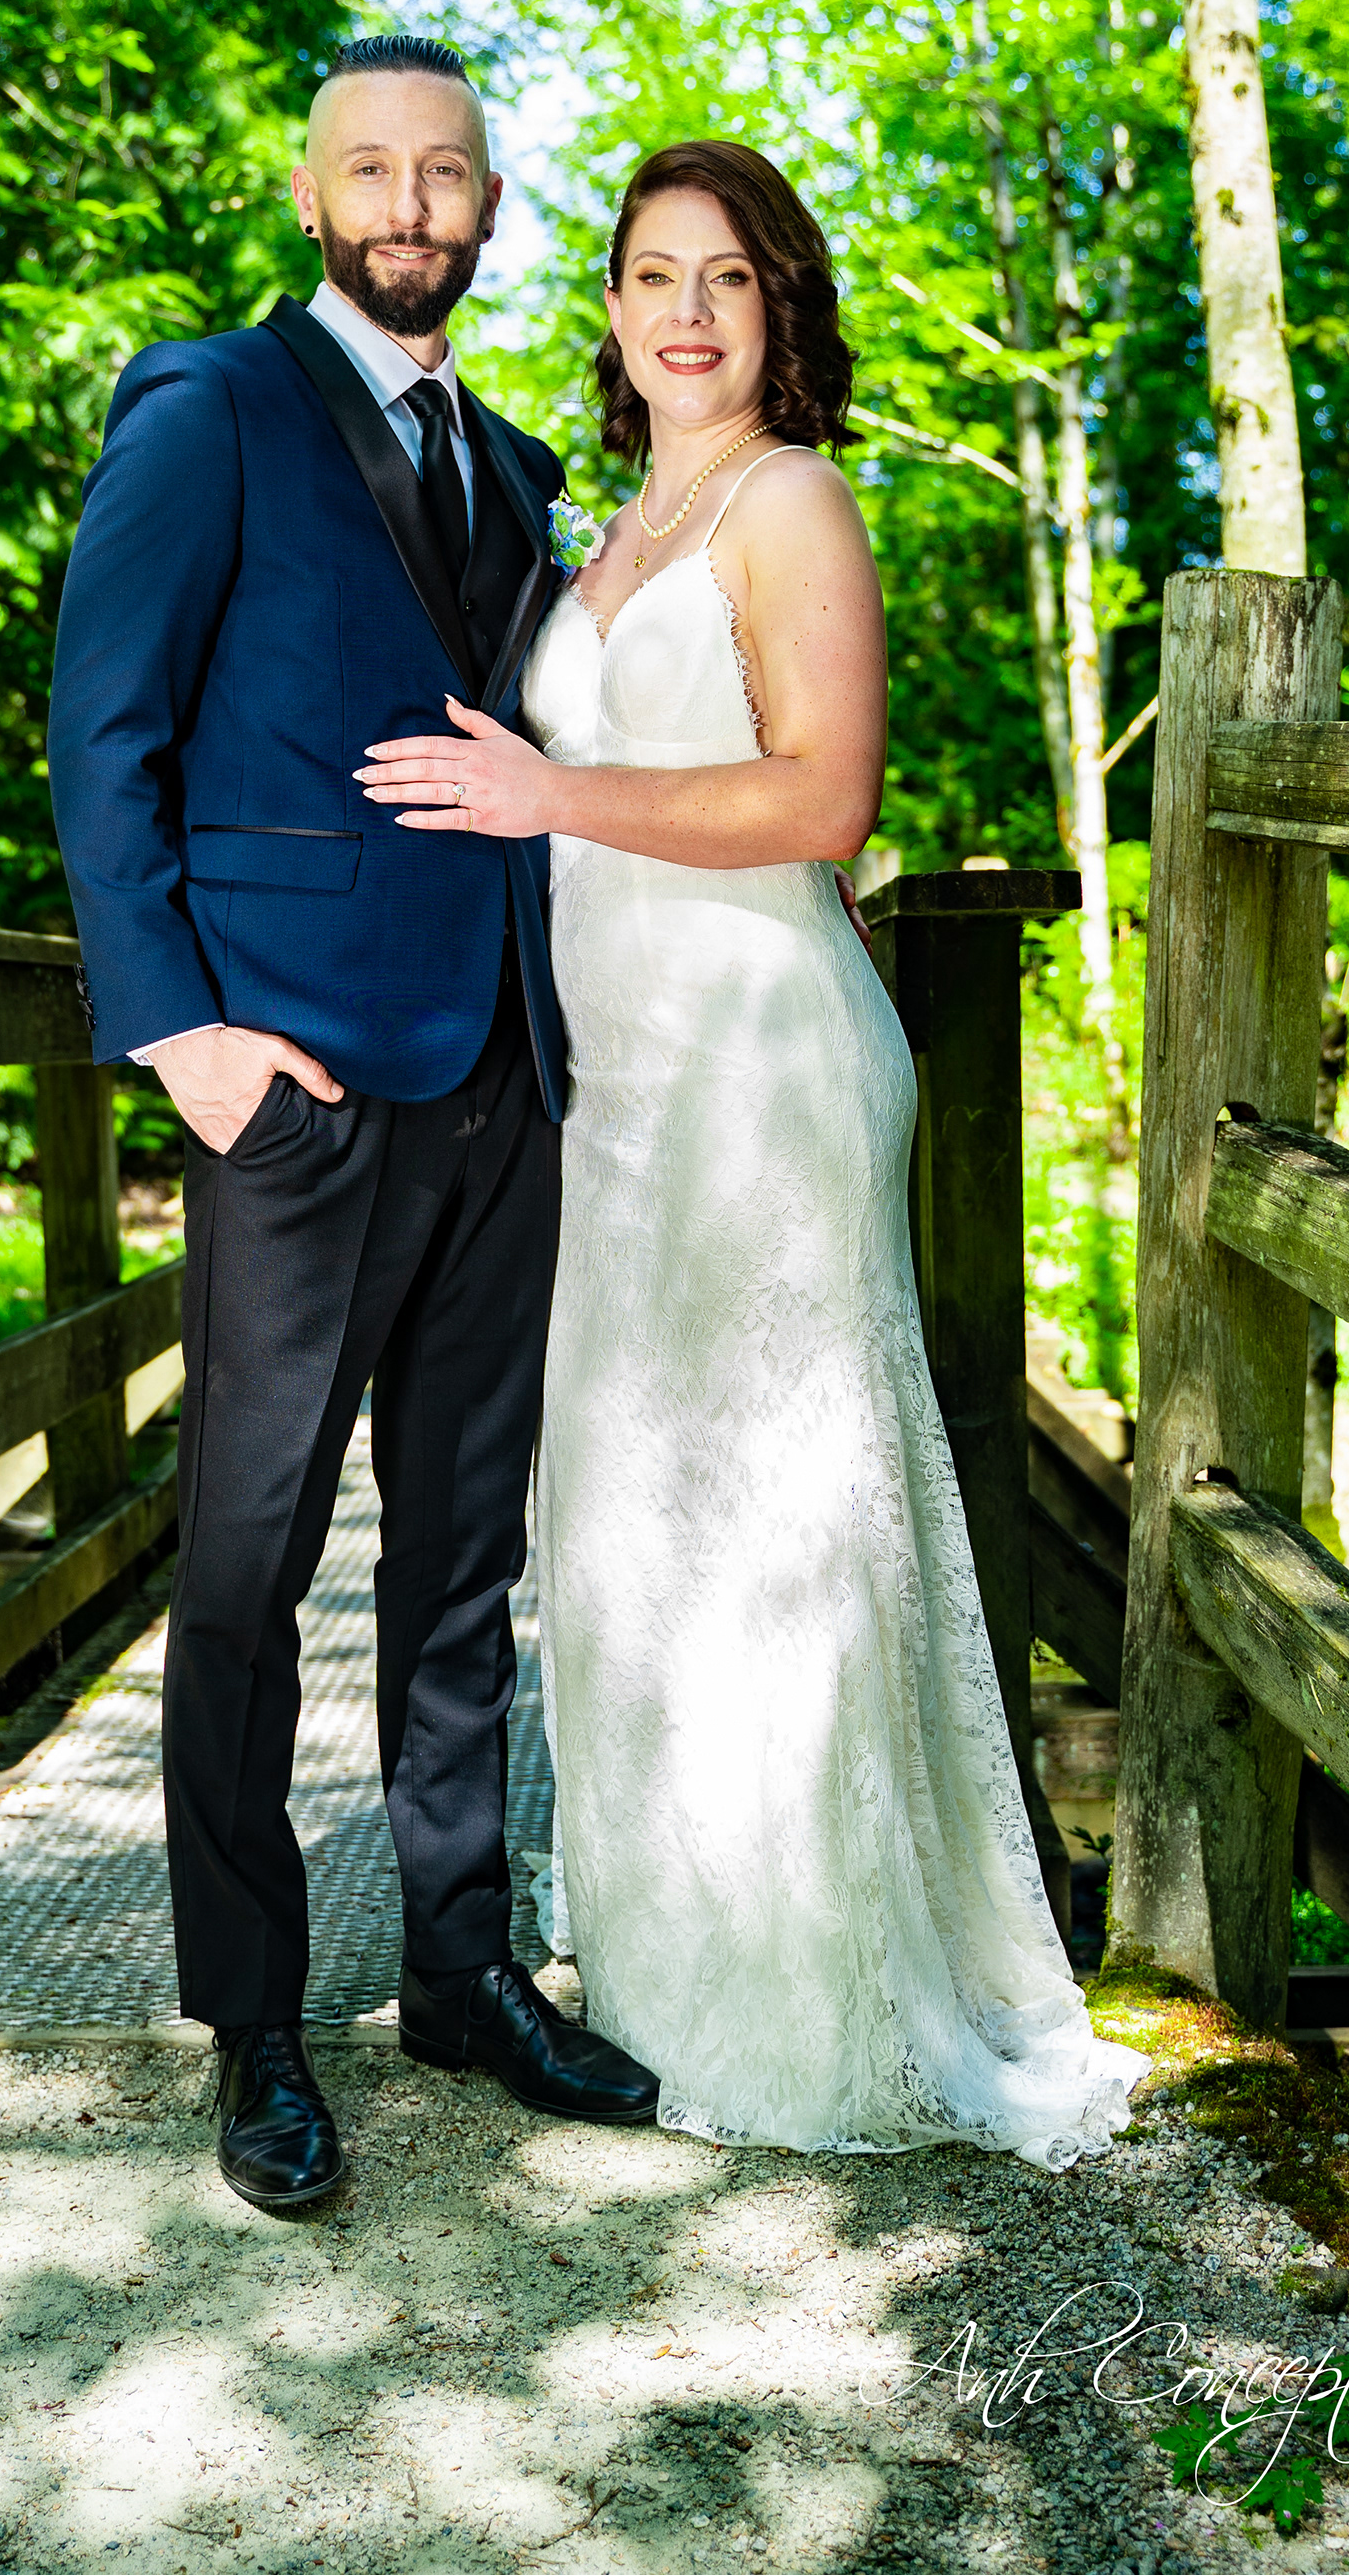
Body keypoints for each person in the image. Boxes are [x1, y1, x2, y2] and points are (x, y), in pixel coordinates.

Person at [357, 140, 1149, 2170]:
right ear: (613, 309)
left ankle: (809, 2008)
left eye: (728, 275)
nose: (688, 310)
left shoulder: (792, 501)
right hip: (611, 1086)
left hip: (759, 1063)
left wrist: (553, 793)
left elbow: (824, 801)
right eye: (653, 274)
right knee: (635, 1524)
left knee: (778, 1518)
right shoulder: (608, 521)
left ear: (779, 306)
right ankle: (667, 1971)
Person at [45, 36, 661, 2217]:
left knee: (462, 1561)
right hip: (291, 1093)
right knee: (247, 1557)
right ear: (311, 197)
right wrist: (179, 1037)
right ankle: (254, 2024)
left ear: (489, 206)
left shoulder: (512, 464)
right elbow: (102, 731)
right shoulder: (208, 407)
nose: (412, 204)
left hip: (505, 1080)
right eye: (372, 170)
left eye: (448, 173)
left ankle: (461, 1972)